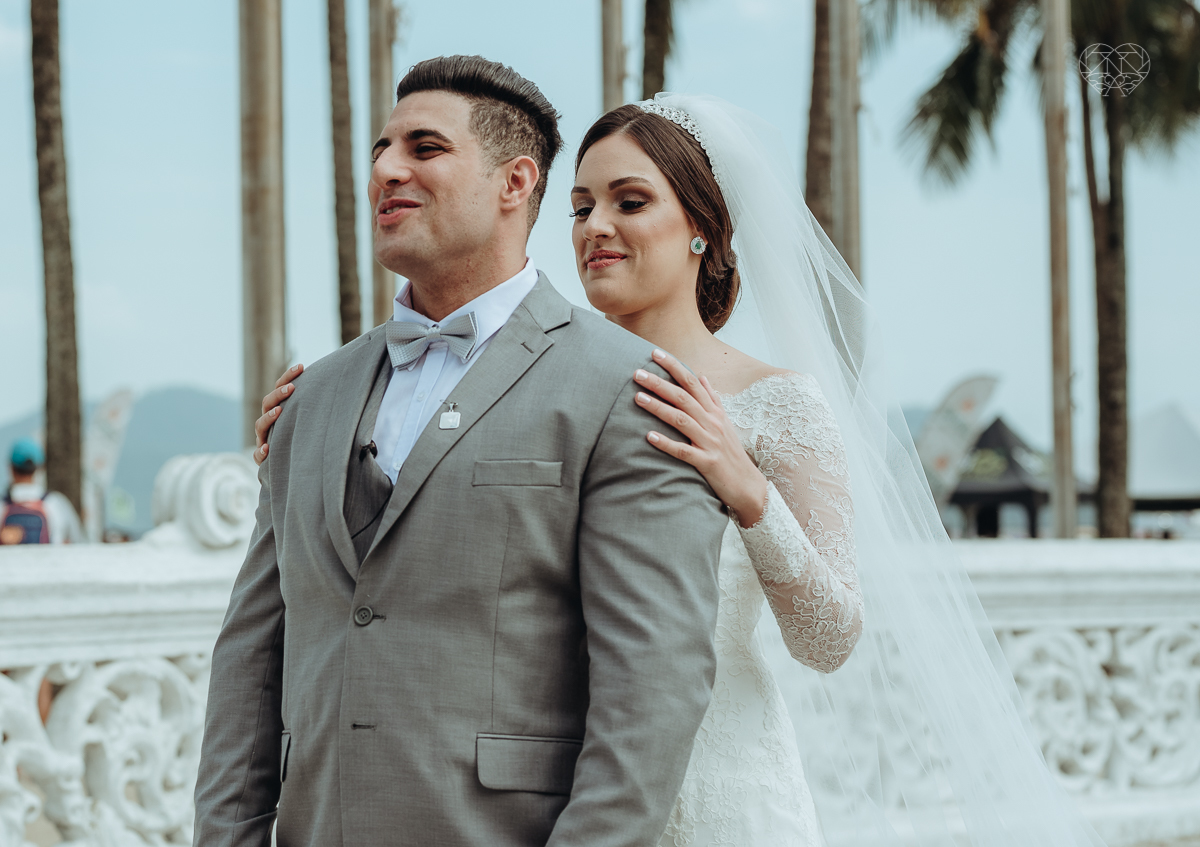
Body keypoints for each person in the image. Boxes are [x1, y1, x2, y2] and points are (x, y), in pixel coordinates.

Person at [257, 91, 1109, 847]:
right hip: (558, 795)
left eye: (632, 202)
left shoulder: (776, 400)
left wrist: (751, 494)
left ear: (702, 226)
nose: (596, 228)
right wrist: (320, 439)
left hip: (719, 787)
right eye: (583, 205)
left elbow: (831, 636)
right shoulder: (529, 387)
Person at [193, 56, 728, 847]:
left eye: (423, 147)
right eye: (380, 148)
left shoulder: (628, 389)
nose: (385, 170)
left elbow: (651, 692)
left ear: (515, 183)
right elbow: (251, 655)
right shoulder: (311, 397)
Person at [1, 438, 84, 545]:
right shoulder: (56, 503)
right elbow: (79, 541)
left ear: (11, 468)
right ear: (39, 468)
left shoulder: (2, 506)